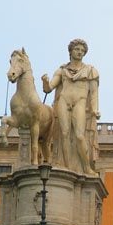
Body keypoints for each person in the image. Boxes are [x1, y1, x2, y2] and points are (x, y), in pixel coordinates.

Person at [41, 38, 100, 175]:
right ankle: (67, 168)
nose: (80, 52)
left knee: (80, 135)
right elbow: (49, 88)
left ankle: (86, 167)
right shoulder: (62, 70)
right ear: (71, 51)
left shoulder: (90, 71)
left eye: (82, 50)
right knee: (64, 134)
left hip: (80, 101)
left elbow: (94, 93)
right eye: (77, 49)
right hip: (63, 100)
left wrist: (95, 109)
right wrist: (45, 81)